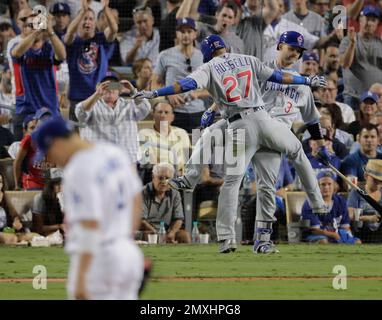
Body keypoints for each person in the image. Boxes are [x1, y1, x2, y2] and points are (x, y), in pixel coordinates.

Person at [133, 33, 329, 254]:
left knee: (233, 172)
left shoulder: (210, 67)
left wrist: (156, 92)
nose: (294, 53)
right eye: (291, 48)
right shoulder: (250, 60)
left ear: (206, 53)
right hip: (264, 122)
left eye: (298, 50)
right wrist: (307, 80)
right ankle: (317, 204)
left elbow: (185, 84)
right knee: (295, 154)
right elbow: (278, 77)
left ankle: (227, 234)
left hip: (241, 126)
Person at [31, 116, 144, 300]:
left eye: (49, 153)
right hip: (127, 252)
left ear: (57, 142)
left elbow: (89, 225)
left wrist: (81, 277)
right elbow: (136, 197)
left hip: (99, 260)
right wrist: (124, 239)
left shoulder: (78, 170)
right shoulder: (113, 152)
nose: (52, 160)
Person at [11, 11, 66, 140]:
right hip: (26, 110)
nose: (35, 27)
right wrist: (36, 32)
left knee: (53, 154)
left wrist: (50, 31)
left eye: (38, 24)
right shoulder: (19, 46)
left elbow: (62, 56)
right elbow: (16, 53)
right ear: (24, 29)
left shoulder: (49, 48)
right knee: (23, 151)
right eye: (31, 25)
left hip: (50, 109)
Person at [75, 72, 151, 164]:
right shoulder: (91, 105)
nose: (110, 89)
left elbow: (146, 108)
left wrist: (133, 91)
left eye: (114, 85)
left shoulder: (130, 105)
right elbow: (80, 113)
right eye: (105, 86)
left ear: (120, 89)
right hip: (97, 160)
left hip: (127, 160)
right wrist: (97, 94)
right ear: (98, 87)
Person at [64, 0, 118, 121]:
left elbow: (114, 29)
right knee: (76, 137)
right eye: (84, 18)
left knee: (98, 137)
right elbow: (68, 34)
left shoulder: (102, 39)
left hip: (99, 97)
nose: (87, 22)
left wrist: (105, 9)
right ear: (78, 22)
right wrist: (82, 11)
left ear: (95, 23)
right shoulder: (73, 41)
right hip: (77, 98)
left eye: (90, 19)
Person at [152, 17, 208, 132]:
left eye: (189, 31)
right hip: (172, 113)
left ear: (195, 34)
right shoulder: (165, 55)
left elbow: (214, 87)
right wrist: (169, 94)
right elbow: (154, 84)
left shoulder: (204, 57)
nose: (185, 35)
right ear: (176, 34)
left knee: (196, 147)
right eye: (182, 32)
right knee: (171, 147)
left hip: (197, 113)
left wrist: (197, 94)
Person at [339, 6, 382, 110]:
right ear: (360, 20)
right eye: (367, 19)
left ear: (377, 24)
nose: (370, 23)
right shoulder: (348, 40)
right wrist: (353, 43)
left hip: (376, 99)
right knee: (352, 126)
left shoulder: (380, 43)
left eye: (373, 20)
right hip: (353, 97)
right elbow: (344, 64)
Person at [301, 171, 361, 244]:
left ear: (334, 186)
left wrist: (348, 238)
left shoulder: (341, 201)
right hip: (317, 235)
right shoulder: (310, 203)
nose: (326, 187)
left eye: (329, 184)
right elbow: (314, 230)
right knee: (324, 241)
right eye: (323, 184)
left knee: (357, 242)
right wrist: (333, 235)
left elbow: (345, 226)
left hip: (337, 233)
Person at [140, 162, 191, 243]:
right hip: (149, 230)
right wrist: (157, 234)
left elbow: (179, 219)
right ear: (153, 177)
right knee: (148, 235)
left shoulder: (175, 194)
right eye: (160, 178)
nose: (164, 182)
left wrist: (172, 233)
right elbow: (141, 221)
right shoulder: (142, 192)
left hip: (167, 231)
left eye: (167, 178)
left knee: (184, 235)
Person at [139, 101, 190, 175]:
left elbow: (187, 160)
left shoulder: (182, 133)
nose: (163, 115)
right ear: (153, 115)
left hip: (181, 176)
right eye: (160, 112)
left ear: (172, 117)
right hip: (157, 176)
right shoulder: (144, 134)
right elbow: (148, 161)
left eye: (166, 112)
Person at [177, 0, 245, 54]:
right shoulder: (203, 30)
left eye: (230, 17)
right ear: (217, 14)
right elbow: (182, 20)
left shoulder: (238, 42)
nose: (226, 19)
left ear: (234, 20)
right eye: (224, 15)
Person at [13, 108, 54, 190]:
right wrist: (17, 185)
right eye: (42, 119)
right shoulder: (29, 139)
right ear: (36, 121)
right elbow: (17, 163)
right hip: (32, 182)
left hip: (49, 183)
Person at [347, 159, 382, 243]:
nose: (378, 184)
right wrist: (368, 218)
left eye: (381, 181)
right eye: (375, 180)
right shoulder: (356, 192)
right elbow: (350, 216)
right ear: (366, 176)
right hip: (361, 234)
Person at [32, 168, 65, 237]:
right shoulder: (40, 198)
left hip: (59, 233)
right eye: (56, 184)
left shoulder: (62, 197)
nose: (60, 187)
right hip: (43, 235)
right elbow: (38, 228)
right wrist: (59, 226)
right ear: (49, 185)